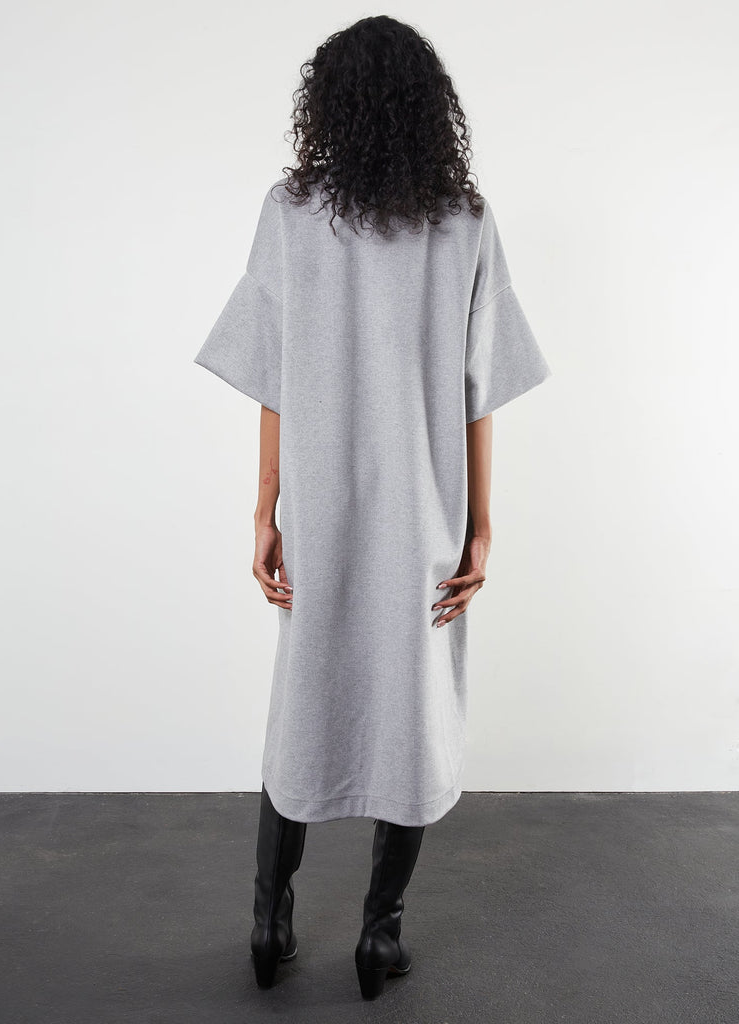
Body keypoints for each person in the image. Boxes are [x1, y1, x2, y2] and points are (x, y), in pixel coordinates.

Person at [193, 14, 552, 1001]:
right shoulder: (463, 221)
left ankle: (269, 920)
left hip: (320, 504)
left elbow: (272, 374)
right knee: (415, 708)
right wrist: (481, 526)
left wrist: (265, 508)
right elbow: (479, 392)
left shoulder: (289, 212)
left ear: (329, 105)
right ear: (430, 108)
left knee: (303, 699)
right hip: (423, 509)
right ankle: (376, 936)